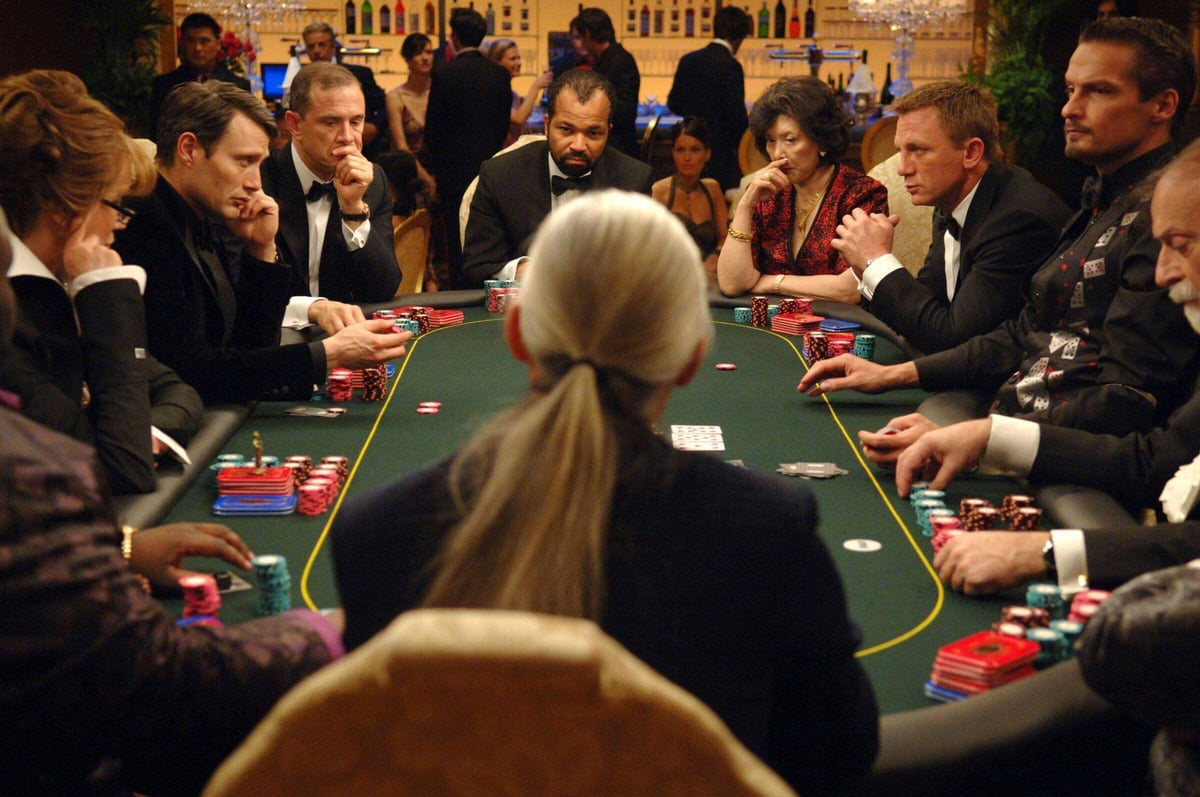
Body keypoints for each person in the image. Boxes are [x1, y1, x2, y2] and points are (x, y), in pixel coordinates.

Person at [332, 190, 879, 795]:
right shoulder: (767, 529)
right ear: (691, 356)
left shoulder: (374, 532)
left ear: (517, 337)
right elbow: (838, 754)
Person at [0, 194, 344, 794]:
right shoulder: (34, 464)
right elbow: (156, 688)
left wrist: (126, 543)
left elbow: (178, 385)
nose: (120, 229)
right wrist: (325, 635)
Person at [799, 18, 1198, 441]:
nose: (1069, 109)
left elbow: (1124, 399)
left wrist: (982, 437)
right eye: (1070, 90)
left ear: (1162, 105)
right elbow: (1024, 333)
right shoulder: (1101, 198)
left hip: (1055, 462)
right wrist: (894, 375)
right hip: (1005, 418)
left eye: (1098, 91)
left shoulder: (1169, 218)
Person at [890, 138, 1200, 597]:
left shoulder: (1020, 208)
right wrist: (988, 437)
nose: (1163, 273)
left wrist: (1045, 553)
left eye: (1181, 246)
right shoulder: (1095, 207)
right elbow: (1154, 461)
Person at [114, 81, 411, 406]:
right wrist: (329, 354)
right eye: (243, 161)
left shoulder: (204, 211)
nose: (256, 182)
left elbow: (245, 350)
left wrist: (261, 251)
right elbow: (196, 373)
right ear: (188, 149)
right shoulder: (143, 223)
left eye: (259, 163)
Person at [0, 70, 202, 495]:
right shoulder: (12, 316)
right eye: (114, 204)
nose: (119, 224)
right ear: (61, 208)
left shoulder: (64, 281)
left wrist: (144, 433)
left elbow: (178, 390)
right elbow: (123, 471)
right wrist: (107, 298)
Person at [835, 80, 1071, 354]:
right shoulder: (952, 200)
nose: (902, 169)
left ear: (971, 152)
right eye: (901, 151)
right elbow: (928, 305)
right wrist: (868, 266)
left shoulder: (1018, 220)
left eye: (918, 150)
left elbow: (955, 339)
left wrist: (877, 261)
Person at [460, 69, 654, 288]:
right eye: (566, 129)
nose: (578, 145)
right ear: (546, 125)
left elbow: (643, 270)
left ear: (608, 132)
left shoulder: (633, 181)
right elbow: (478, 266)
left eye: (593, 133)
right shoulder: (501, 176)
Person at [717, 76, 887, 302]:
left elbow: (850, 288)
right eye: (770, 140)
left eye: (790, 140)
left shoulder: (861, 194)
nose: (777, 154)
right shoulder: (767, 194)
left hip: (838, 327)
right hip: (773, 323)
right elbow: (732, 284)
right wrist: (746, 206)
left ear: (822, 141)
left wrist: (771, 282)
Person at [262, 62, 401, 305]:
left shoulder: (372, 180)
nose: (347, 137)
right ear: (295, 125)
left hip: (344, 334)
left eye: (356, 122)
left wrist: (353, 209)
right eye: (330, 122)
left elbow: (382, 290)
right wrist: (311, 311)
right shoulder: (261, 179)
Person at [424, 7, 512, 287]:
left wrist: (437, 169)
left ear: (454, 38)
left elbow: (433, 130)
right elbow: (502, 124)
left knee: (455, 235)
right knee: (490, 231)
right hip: (491, 167)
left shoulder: (445, 73)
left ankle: (459, 292)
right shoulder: (499, 75)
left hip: (453, 170)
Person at [667, 5, 753, 191]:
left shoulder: (688, 60)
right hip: (719, 152)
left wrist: (694, 115)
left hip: (688, 146)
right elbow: (736, 117)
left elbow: (673, 102)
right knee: (715, 202)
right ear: (739, 37)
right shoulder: (731, 66)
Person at [651, 117, 728, 281]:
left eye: (695, 149)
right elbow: (652, 246)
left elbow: (725, 237)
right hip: (670, 277)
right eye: (680, 150)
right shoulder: (659, 190)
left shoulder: (712, 189)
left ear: (707, 154)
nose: (687, 157)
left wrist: (713, 258)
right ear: (672, 153)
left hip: (709, 276)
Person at [149, 13, 251, 135]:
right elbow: (157, 133)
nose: (197, 48)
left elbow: (243, 132)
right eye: (191, 41)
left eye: (204, 41)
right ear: (182, 44)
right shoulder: (164, 85)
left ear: (218, 44)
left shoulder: (237, 86)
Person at [302, 22, 388, 152]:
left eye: (321, 45)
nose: (316, 50)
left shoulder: (360, 73)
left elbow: (385, 105)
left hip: (361, 147)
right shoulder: (302, 79)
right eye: (311, 46)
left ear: (332, 47)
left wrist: (375, 126)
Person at [570, 8, 640, 159]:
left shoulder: (617, 61)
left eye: (582, 37)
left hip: (617, 147)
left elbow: (623, 112)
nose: (581, 43)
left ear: (588, 34)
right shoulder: (611, 58)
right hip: (613, 143)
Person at [385, 33, 437, 198]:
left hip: (441, 172)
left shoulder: (440, 92)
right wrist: (427, 178)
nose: (424, 58)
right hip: (409, 175)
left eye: (429, 52)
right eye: (418, 53)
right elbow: (401, 147)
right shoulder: (395, 97)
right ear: (407, 59)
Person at [485, 38, 554, 149]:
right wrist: (535, 87)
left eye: (518, 58)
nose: (518, 62)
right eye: (513, 59)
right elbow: (518, 119)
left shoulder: (513, 93)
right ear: (497, 62)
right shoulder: (493, 90)